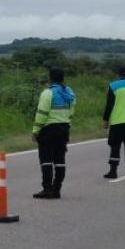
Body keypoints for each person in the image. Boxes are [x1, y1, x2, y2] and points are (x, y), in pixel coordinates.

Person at [32, 68, 76, 199]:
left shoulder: (47, 93)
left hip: (48, 129)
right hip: (64, 128)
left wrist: (35, 130)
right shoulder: (70, 93)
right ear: (63, 78)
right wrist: (67, 126)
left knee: (46, 160)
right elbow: (71, 113)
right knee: (60, 160)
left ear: (50, 78)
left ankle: (47, 189)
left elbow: (42, 114)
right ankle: (57, 190)